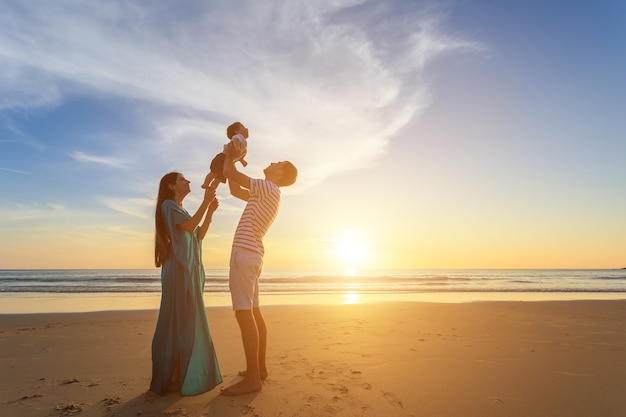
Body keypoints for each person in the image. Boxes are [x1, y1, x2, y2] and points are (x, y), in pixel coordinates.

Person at [219, 146, 298, 396]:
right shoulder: (264, 193)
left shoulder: (268, 188)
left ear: (280, 171)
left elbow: (230, 173)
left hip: (245, 252)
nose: (271, 162)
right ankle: (259, 370)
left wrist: (231, 152)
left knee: (244, 315)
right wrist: (232, 163)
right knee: (253, 312)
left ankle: (253, 378)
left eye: (277, 162)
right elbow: (233, 187)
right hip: (253, 254)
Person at [150, 172, 222, 396]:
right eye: (183, 180)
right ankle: (171, 374)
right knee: (175, 321)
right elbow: (191, 227)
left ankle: (179, 374)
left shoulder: (180, 209)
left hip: (187, 270)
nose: (188, 182)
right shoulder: (169, 205)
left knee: (187, 320)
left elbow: (197, 235)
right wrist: (206, 201)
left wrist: (209, 212)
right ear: (172, 186)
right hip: (178, 271)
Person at [202, 122, 250, 190]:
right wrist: (237, 148)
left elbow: (240, 155)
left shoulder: (244, 142)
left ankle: (212, 188)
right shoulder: (239, 136)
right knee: (214, 172)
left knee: (220, 178)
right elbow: (236, 141)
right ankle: (206, 183)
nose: (246, 129)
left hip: (229, 162)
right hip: (222, 158)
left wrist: (242, 161)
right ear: (236, 131)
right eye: (243, 127)